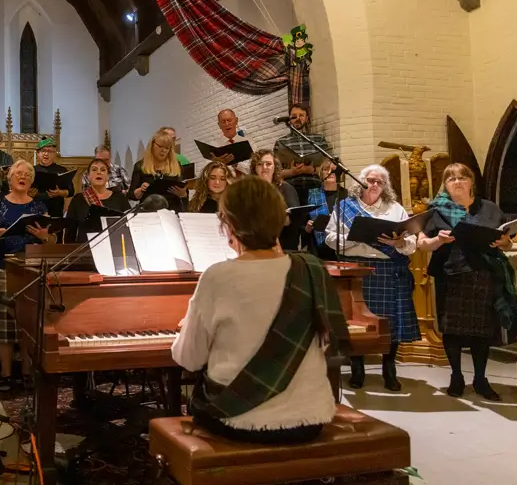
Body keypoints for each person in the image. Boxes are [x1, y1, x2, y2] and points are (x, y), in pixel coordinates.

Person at [173, 176, 350, 444]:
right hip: (311, 418)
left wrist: (188, 328)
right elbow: (329, 345)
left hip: (237, 419)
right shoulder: (311, 268)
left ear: (229, 225)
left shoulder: (217, 276)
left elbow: (189, 359)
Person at [418, 163, 517, 401]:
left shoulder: (489, 208)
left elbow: (507, 242)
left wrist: (504, 243)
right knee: (451, 329)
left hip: (483, 273)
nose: (457, 182)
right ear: (445, 185)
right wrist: (438, 241)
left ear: (471, 181)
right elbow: (422, 244)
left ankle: (481, 379)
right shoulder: (436, 210)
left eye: (462, 177)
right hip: (451, 274)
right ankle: (456, 376)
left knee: (482, 330)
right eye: (451, 178)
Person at [324, 165, 419, 391]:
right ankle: (357, 368)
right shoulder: (345, 206)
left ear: (385, 186)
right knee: (357, 321)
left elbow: (412, 242)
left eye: (380, 182)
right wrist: (356, 237)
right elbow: (329, 238)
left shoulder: (395, 209)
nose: (375, 184)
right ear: (361, 182)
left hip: (388, 269)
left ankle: (389, 369)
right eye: (370, 180)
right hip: (356, 269)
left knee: (389, 322)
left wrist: (400, 243)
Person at [0, 160, 54, 390]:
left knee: (29, 324)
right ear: (9, 179)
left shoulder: (39, 207)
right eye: (18, 174)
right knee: (6, 325)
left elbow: (52, 241)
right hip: (5, 268)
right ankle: (6, 373)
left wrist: (43, 237)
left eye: (27, 175)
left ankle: (28, 372)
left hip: (32, 270)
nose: (23, 177)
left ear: (32, 182)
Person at [274, 105, 332, 206]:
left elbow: (329, 168)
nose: (297, 118)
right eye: (294, 116)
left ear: (307, 118)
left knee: (317, 215)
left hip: (315, 187)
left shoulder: (319, 139)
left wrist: (312, 170)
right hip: (290, 189)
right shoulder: (281, 142)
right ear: (289, 119)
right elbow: (275, 173)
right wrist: (292, 172)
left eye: (301, 115)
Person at [65, 158, 131, 243]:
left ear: (108, 176)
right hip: (85, 247)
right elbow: (70, 230)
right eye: (94, 170)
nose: (99, 172)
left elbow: (129, 224)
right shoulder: (78, 199)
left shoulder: (119, 198)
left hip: (113, 246)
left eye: (103, 170)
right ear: (88, 176)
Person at [250, 149, 301, 251]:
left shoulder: (285, 188)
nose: (264, 167)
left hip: (284, 246)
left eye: (268, 164)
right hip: (255, 247)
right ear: (255, 168)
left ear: (275, 167)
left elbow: (294, 218)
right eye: (260, 164)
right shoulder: (249, 191)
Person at [129, 130, 187, 212]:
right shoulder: (140, 165)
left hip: (172, 210)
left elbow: (185, 193)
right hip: (149, 211)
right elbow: (132, 195)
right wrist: (141, 189)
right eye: (160, 146)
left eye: (167, 148)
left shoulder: (176, 165)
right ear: (152, 145)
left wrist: (183, 194)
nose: (163, 150)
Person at [306, 161, 348, 260]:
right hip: (317, 249)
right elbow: (301, 222)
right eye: (326, 169)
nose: (330, 172)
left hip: (342, 247)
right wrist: (307, 227)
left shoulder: (347, 195)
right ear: (321, 173)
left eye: (334, 170)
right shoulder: (311, 194)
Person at [32, 137, 73, 218]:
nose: (46, 154)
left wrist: (59, 192)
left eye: (50, 151)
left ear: (55, 154)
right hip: (35, 211)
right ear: (37, 153)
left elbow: (71, 191)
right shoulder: (32, 170)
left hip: (56, 212)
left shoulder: (62, 170)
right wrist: (30, 193)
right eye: (43, 151)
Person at [216, 109, 256, 176]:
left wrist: (236, 164)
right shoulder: (215, 147)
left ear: (236, 120)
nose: (227, 124)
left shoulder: (249, 142)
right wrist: (219, 163)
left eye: (229, 120)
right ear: (219, 125)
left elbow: (254, 168)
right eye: (223, 122)